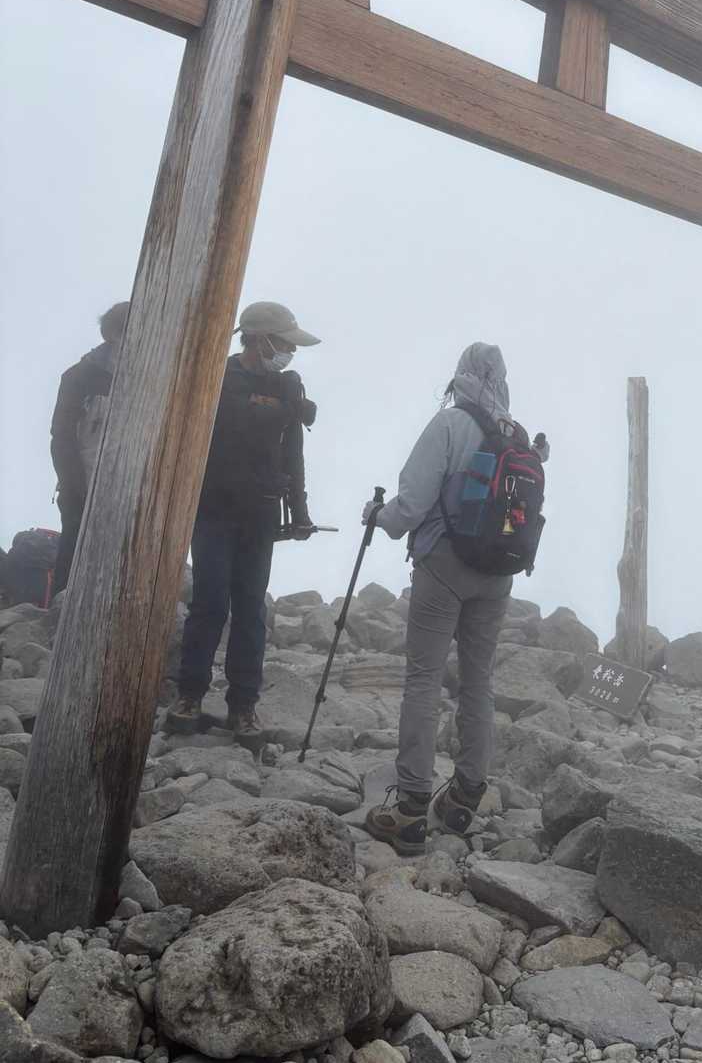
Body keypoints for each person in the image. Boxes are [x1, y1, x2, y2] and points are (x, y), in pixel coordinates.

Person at [364, 342, 548, 855]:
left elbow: (410, 507)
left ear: (462, 374)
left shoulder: (449, 424)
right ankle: (464, 798)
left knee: (423, 678)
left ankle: (410, 808)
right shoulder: (516, 435)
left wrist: (377, 517)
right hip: (498, 573)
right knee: (478, 680)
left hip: (443, 566)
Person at [166, 301, 320, 740]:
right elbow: (237, 418)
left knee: (252, 609)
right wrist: (290, 408)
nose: (290, 351)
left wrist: (301, 512)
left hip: (261, 512)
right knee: (210, 602)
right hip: (213, 508)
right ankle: (189, 694)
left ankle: (243, 705)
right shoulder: (219, 377)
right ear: (259, 339)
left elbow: (292, 453)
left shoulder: (287, 384)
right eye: (285, 342)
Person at [50, 301, 130, 593]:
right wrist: (76, 487)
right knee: (74, 556)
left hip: (130, 491)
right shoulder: (79, 376)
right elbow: (61, 436)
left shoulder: (153, 379)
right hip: (82, 486)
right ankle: (60, 610)